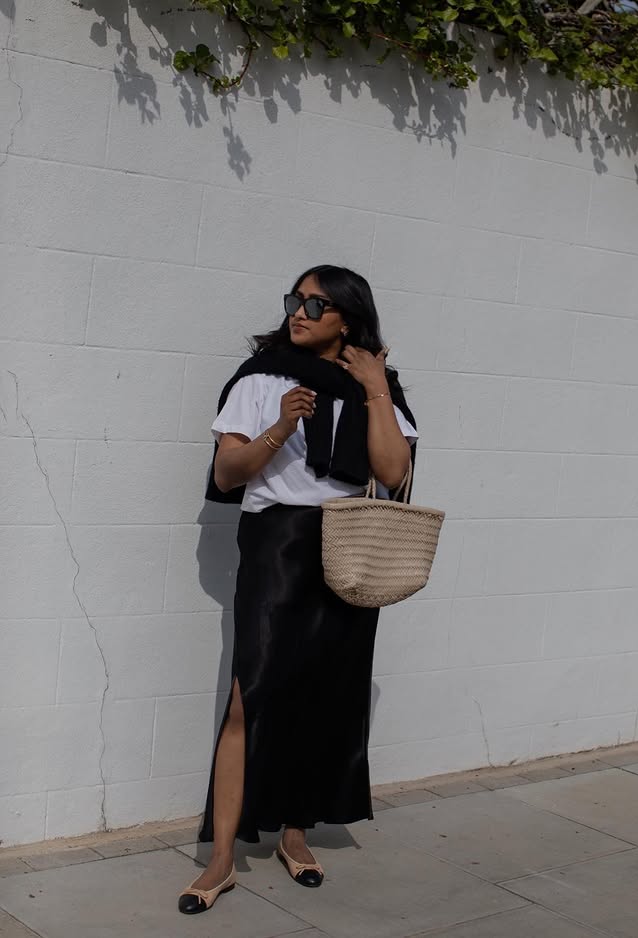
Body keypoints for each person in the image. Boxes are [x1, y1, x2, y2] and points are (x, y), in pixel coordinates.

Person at [178, 265, 418, 914]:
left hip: (350, 544)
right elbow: (228, 474)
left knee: (324, 697)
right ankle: (221, 858)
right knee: (248, 698)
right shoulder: (261, 379)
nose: (298, 313)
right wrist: (280, 428)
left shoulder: (378, 386)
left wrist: (374, 388)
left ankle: (295, 833)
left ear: (347, 319)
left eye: (316, 304)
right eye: (295, 300)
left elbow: (392, 471)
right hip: (278, 545)